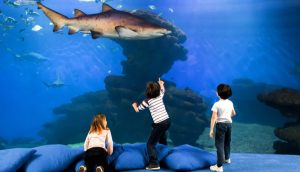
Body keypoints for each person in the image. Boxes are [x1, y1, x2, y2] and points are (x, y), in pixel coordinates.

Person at [132, 78, 171, 171]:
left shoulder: (147, 102)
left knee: (150, 144)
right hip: (167, 121)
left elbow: (138, 109)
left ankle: (154, 163)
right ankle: (164, 151)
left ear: (147, 92)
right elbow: (162, 90)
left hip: (160, 124)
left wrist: (134, 105)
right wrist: (161, 84)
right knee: (161, 136)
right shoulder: (160, 95)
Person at [209, 84, 236, 172]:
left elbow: (213, 117)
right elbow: (233, 113)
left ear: (218, 94)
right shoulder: (230, 102)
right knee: (227, 142)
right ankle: (227, 158)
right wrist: (227, 117)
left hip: (220, 125)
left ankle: (219, 166)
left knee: (219, 144)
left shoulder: (217, 104)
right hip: (229, 124)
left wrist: (211, 129)